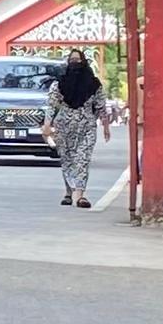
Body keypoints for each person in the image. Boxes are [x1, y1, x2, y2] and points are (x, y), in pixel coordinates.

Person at [51, 47, 113, 207]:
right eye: (72, 60)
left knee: (82, 159)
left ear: (84, 62)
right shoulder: (59, 83)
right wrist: (46, 125)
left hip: (87, 126)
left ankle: (80, 195)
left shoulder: (93, 84)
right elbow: (51, 105)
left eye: (78, 60)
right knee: (67, 159)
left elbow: (100, 106)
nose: (75, 63)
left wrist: (106, 126)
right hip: (63, 126)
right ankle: (68, 192)